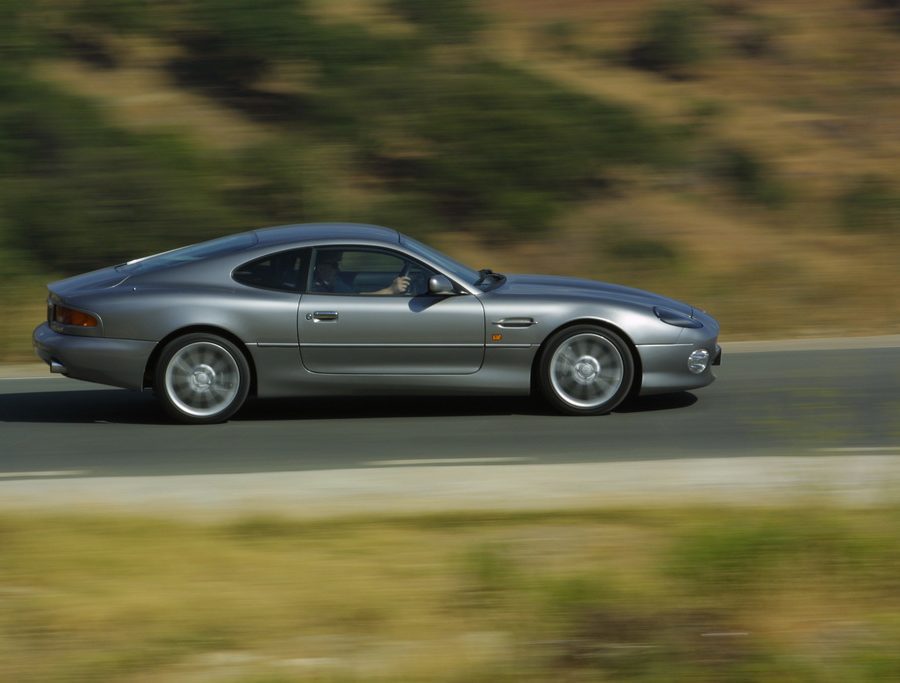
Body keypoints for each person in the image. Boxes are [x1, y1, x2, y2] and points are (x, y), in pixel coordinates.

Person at [312, 251, 410, 295]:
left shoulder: (332, 283)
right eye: (334, 265)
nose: (338, 269)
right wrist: (391, 290)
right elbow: (358, 298)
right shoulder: (316, 290)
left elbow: (355, 295)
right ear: (321, 268)